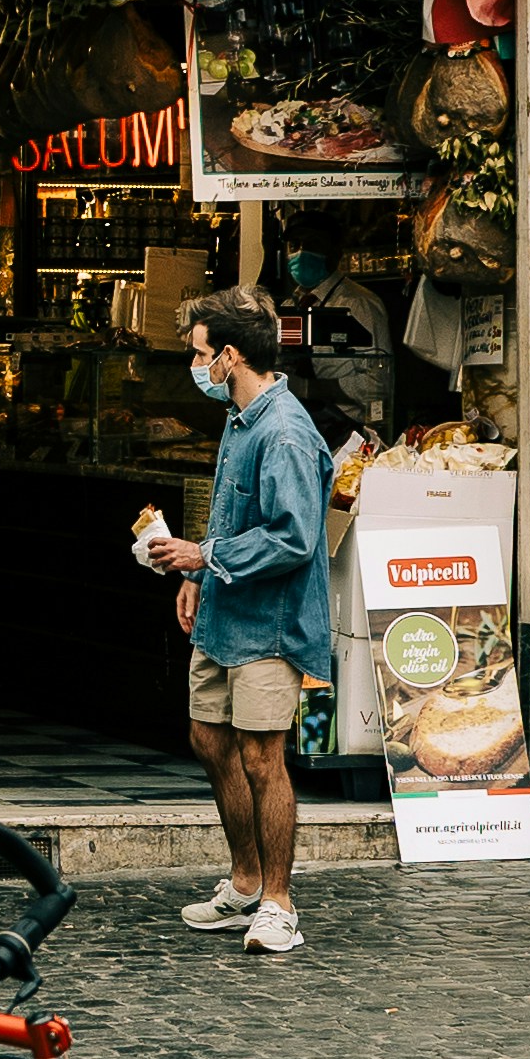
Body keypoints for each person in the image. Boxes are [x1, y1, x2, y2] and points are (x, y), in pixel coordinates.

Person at [150, 291, 332, 964]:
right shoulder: (239, 416)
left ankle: (280, 904)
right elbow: (232, 513)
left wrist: (206, 557)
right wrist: (199, 570)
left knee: (262, 756)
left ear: (229, 356)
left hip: (270, 622)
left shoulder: (283, 430)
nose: (194, 364)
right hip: (226, 610)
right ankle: (246, 880)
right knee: (207, 736)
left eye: (200, 353)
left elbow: (295, 539)